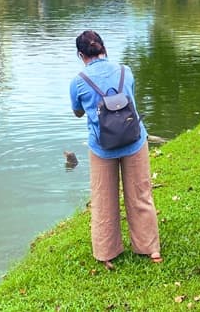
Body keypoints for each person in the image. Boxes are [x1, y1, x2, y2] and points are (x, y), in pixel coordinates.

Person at [69, 30, 161, 269]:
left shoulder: (78, 81)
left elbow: (78, 111)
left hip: (101, 147)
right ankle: (150, 249)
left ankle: (106, 252)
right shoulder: (125, 71)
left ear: (81, 54)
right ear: (104, 48)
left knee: (103, 199)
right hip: (134, 140)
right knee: (140, 195)